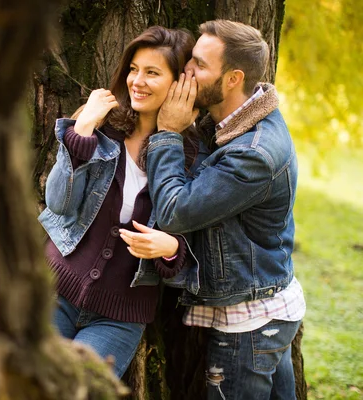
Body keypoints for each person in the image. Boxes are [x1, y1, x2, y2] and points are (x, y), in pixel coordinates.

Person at [122, 20, 306, 399]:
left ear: (233, 78)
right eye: (191, 60)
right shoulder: (231, 126)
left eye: (200, 66)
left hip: (250, 324)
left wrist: (169, 134)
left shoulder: (253, 153)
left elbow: (175, 210)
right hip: (263, 311)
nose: (187, 71)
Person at [38, 26, 201, 378]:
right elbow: (58, 203)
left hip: (120, 316)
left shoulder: (192, 156)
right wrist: (81, 130)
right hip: (53, 292)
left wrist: (171, 248)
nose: (137, 81)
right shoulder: (103, 125)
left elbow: (199, 241)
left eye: (152, 73)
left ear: (181, 84)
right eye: (133, 69)